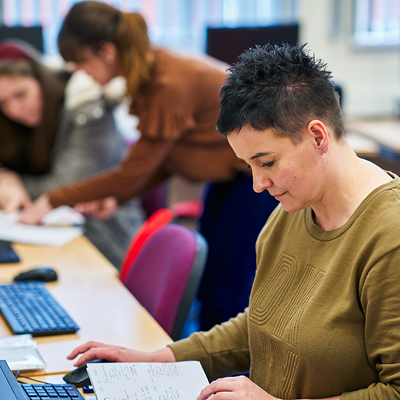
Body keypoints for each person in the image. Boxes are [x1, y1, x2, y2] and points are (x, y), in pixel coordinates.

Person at [65, 43, 400, 400]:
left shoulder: (388, 237)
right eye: (248, 166)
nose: (258, 185)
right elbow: (260, 324)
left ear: (317, 136)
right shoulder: (292, 211)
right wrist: (156, 359)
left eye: (267, 162)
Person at [18, 1, 278, 327]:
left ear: (107, 51)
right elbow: (164, 160)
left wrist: (52, 200)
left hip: (253, 181)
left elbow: (132, 173)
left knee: (229, 287)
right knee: (212, 283)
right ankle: (212, 364)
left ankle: (233, 372)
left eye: (80, 61)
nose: (78, 71)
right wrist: (116, 197)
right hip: (226, 180)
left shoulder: (167, 84)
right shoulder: (149, 72)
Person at [0, 40, 143, 267]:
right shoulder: (11, 123)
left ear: (41, 80)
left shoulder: (87, 107)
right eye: (4, 104)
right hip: (42, 238)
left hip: (103, 240)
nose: (14, 110)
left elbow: (65, 186)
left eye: (20, 94)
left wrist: (10, 184)